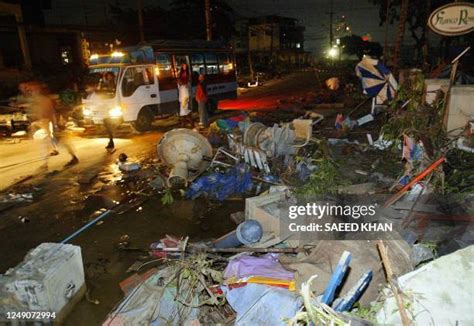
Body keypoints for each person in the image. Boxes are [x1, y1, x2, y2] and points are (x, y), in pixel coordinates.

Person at [177, 63, 194, 128]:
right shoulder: (180, 74)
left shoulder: (187, 75)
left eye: (185, 66)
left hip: (185, 96)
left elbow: (188, 81)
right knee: (184, 113)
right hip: (182, 96)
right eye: (183, 66)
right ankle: (186, 125)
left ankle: (187, 125)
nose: (184, 67)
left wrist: (186, 84)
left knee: (184, 112)